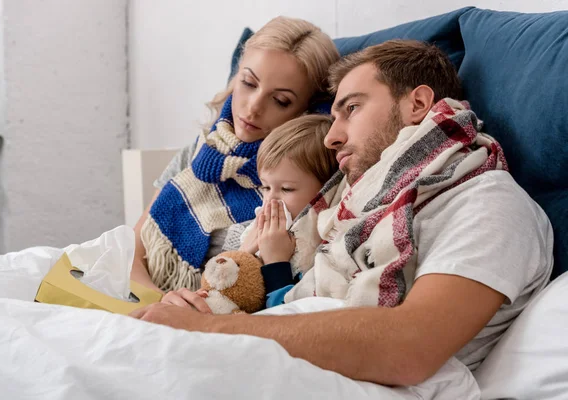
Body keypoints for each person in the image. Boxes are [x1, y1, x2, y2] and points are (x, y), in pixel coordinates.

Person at [129, 40, 553, 387]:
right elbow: (292, 304)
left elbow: (411, 347)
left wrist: (202, 330)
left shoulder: (490, 204)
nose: (331, 137)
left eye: (351, 108)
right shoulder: (356, 209)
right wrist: (202, 310)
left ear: (419, 103)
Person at [130, 16, 340, 296]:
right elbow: (133, 251)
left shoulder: (304, 182)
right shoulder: (202, 151)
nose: (253, 108)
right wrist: (161, 301)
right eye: (249, 83)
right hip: (153, 300)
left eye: (280, 100)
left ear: (309, 110)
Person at [226, 114, 339, 309]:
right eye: (266, 187)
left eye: (286, 189)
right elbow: (222, 293)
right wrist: (243, 254)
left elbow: (288, 315)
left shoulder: (323, 246)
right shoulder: (246, 232)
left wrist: (276, 262)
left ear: (326, 190)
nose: (270, 200)